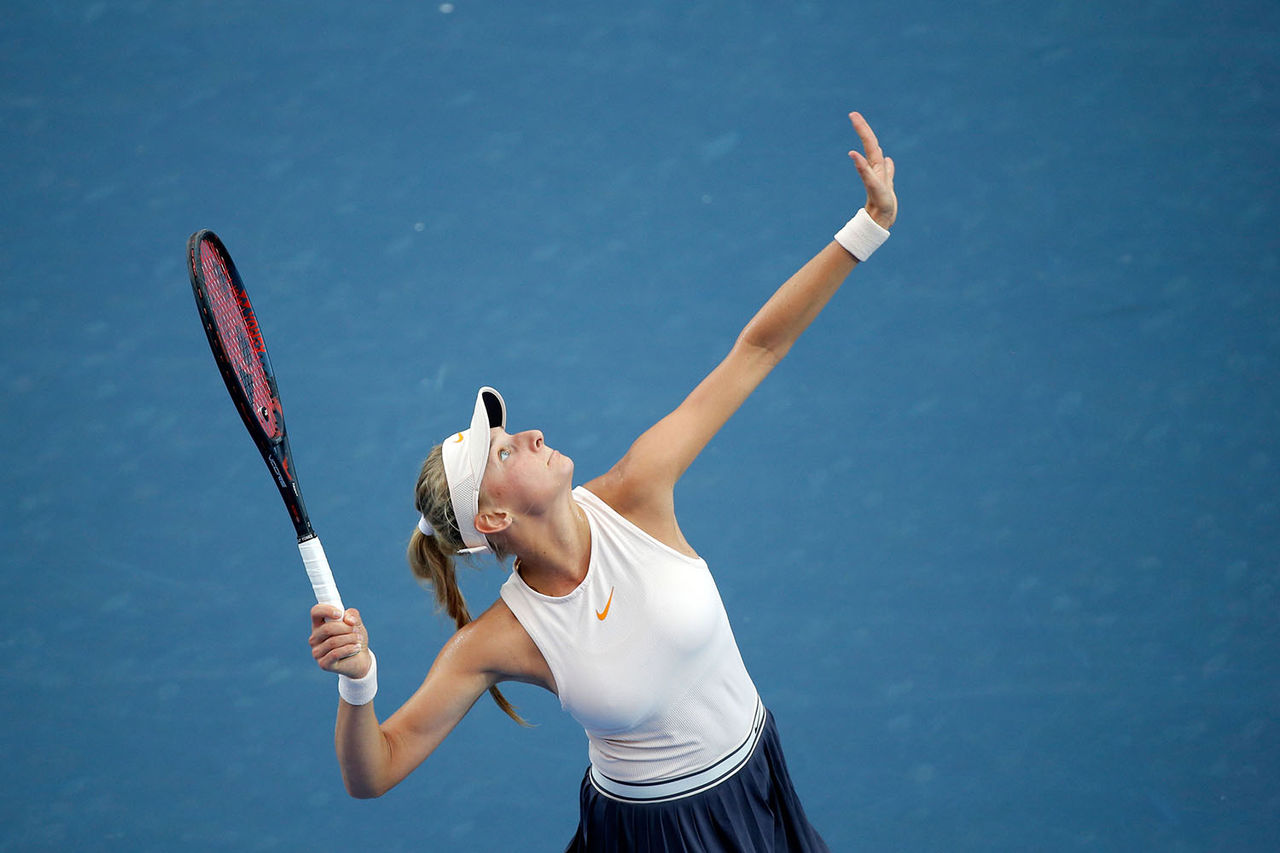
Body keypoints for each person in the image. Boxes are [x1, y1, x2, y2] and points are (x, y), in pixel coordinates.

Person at [308, 110, 898, 851]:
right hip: (647, 834)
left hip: (756, 778)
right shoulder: (500, 639)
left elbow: (757, 348)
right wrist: (358, 682)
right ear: (490, 517)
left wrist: (868, 225)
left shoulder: (641, 486)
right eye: (504, 450)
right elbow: (375, 771)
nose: (531, 433)